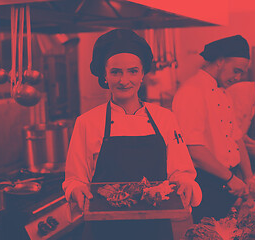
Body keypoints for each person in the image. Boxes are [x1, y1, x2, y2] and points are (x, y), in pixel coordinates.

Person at [62, 29, 201, 240]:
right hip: (104, 231)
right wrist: (76, 190)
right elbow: (74, 179)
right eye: (116, 72)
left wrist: (186, 182)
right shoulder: (87, 122)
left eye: (133, 71)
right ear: (105, 75)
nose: (124, 80)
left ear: (142, 74)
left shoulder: (165, 118)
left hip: (156, 230)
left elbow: (180, 170)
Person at [172, 35, 255, 222]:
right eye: (236, 71)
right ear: (220, 61)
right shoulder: (191, 91)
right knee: (209, 231)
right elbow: (193, 149)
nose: (238, 78)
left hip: (227, 179)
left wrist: (249, 177)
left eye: (241, 73)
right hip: (207, 182)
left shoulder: (223, 92)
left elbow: (236, 138)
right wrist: (229, 178)